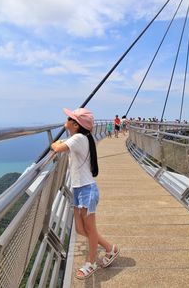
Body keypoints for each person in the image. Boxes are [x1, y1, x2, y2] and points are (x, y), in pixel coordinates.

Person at [51, 108, 119, 280]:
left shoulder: (79, 138)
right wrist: (59, 143)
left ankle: (91, 263)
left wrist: (54, 144)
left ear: (75, 124)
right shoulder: (81, 137)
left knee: (90, 229)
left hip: (87, 190)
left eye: (69, 119)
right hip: (79, 189)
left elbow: (57, 148)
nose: (65, 121)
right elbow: (63, 144)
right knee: (80, 229)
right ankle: (111, 248)